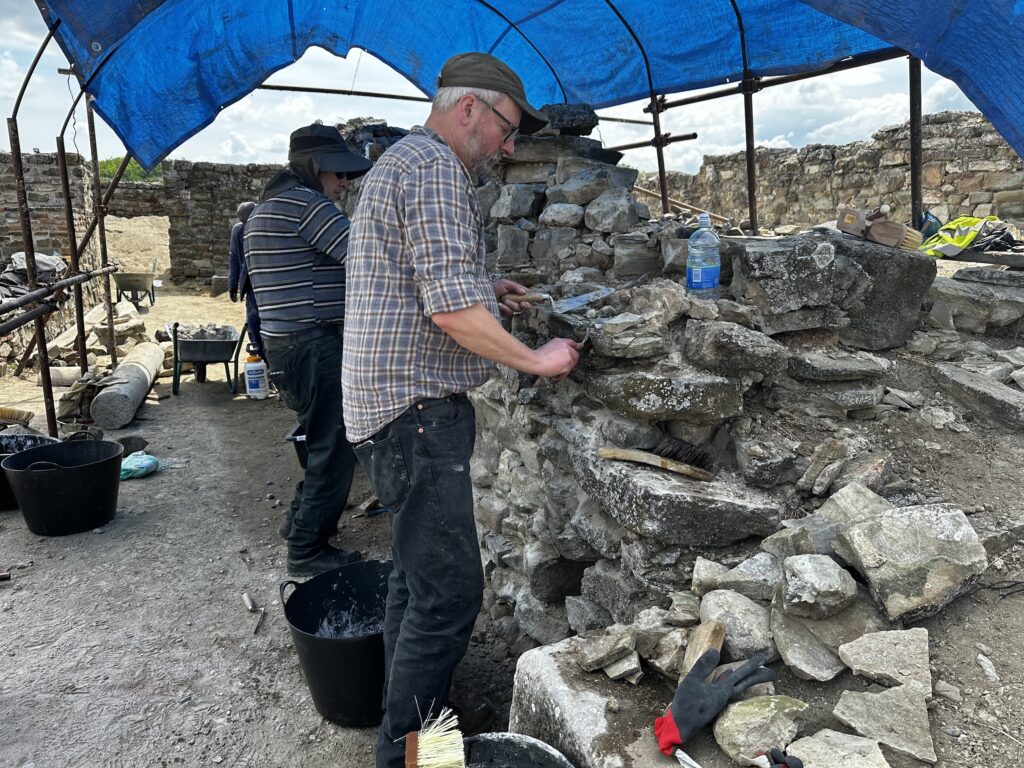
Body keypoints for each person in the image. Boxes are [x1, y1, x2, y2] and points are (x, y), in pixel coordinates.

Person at [342, 52, 582, 768]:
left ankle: (413, 723)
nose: (508, 147)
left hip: (383, 406)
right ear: (468, 109)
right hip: (415, 411)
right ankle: (412, 755)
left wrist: (488, 282)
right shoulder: (438, 170)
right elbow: (448, 310)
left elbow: (429, 279)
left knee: (415, 582)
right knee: (449, 596)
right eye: (507, 128)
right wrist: (537, 359)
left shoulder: (401, 162)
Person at [244, 123, 371, 577]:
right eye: (338, 175)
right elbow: (367, 258)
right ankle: (306, 548)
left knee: (319, 439)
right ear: (315, 168)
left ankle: (298, 521)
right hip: (313, 345)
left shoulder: (266, 209)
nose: (343, 185)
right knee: (335, 448)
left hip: (286, 348)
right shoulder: (306, 206)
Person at [227, 201, 265, 360]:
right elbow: (235, 258)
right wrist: (232, 285)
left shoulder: (265, 226)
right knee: (253, 322)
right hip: (251, 283)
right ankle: (260, 357)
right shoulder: (238, 230)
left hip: (266, 281)